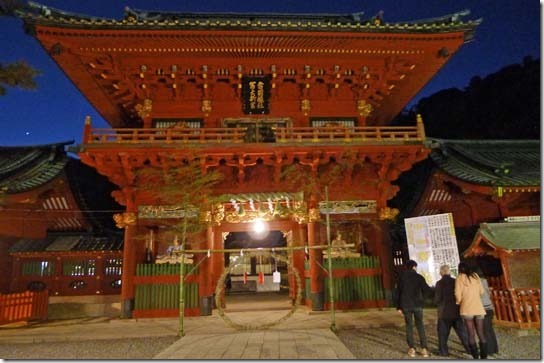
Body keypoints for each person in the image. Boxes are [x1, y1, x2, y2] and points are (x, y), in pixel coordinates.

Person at [396, 259, 433, 357]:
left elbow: (398, 293)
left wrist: (399, 307)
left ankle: (411, 348)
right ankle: (424, 349)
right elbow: (427, 290)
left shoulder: (402, 278)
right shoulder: (419, 277)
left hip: (406, 305)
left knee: (409, 326)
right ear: (414, 267)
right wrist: (423, 299)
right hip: (418, 305)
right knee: (420, 325)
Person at [434, 265, 471, 356]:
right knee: (462, 333)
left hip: (444, 312)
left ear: (441, 273)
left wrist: (436, 302)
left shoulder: (439, 283)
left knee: (443, 334)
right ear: (449, 272)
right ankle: (470, 349)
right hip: (456, 310)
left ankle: (443, 352)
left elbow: (437, 299)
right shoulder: (455, 281)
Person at [455, 261, 487, 359]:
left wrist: (459, 302)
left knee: (471, 333)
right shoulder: (476, 276)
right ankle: (484, 357)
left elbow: (457, 294)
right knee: (481, 333)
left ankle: (475, 357)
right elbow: (482, 291)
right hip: (478, 307)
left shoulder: (459, 278)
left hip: (466, 308)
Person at [476, 267, 499, 356]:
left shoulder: (478, 282)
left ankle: (488, 349)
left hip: (483, 307)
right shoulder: (485, 281)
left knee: (484, 330)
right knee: (490, 329)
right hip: (489, 306)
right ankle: (495, 348)